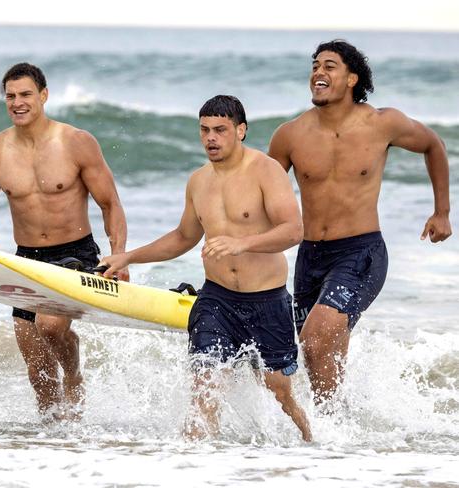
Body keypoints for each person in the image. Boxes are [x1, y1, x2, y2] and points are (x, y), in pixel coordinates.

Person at [100, 95, 311, 441]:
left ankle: (312, 445)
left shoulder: (265, 171)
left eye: (220, 130)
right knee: (204, 388)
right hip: (217, 302)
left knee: (279, 389)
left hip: (267, 301)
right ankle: (199, 467)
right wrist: (128, 257)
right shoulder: (198, 181)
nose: (211, 138)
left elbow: (293, 230)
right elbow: (184, 236)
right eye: (204, 130)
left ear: (241, 131)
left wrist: (241, 243)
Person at [268, 40, 452, 405]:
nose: (318, 72)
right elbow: (262, 193)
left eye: (329, 66)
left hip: (360, 253)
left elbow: (434, 145)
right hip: (310, 258)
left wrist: (442, 211)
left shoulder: (383, 123)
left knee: (315, 337)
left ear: (352, 78)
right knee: (319, 357)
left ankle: (333, 433)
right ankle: (338, 437)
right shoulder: (289, 135)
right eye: (315, 65)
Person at [0, 62, 128, 419]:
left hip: (76, 254)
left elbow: (110, 204)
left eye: (25, 94)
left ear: (43, 95)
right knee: (36, 366)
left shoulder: (76, 142)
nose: (17, 102)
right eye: (10, 96)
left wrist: (118, 256)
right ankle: (50, 439)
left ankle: (74, 375)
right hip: (27, 259)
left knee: (50, 325)